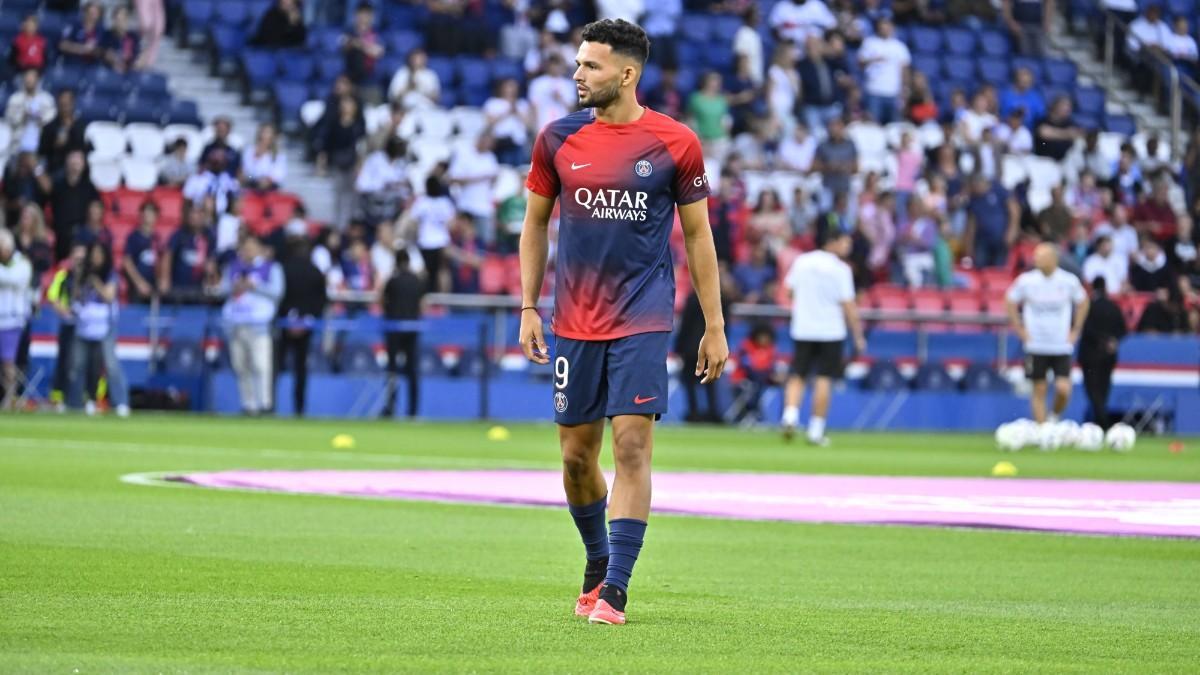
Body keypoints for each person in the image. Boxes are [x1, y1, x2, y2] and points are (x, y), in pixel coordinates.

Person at [517, 19, 727, 627]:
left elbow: (698, 236)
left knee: (632, 445)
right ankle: (597, 560)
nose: (578, 74)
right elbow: (534, 225)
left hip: (643, 317)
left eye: (590, 65)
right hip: (573, 322)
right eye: (579, 63)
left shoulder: (675, 142)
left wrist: (713, 325)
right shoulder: (557, 139)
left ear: (626, 74)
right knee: (577, 460)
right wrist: (529, 306)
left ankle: (615, 591)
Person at [780, 228, 866, 444]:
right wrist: (858, 335)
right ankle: (816, 430)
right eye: (845, 242)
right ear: (832, 242)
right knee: (824, 378)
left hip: (803, 328)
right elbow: (848, 305)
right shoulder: (841, 269)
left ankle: (790, 416)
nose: (848, 247)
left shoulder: (802, 261)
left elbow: (789, 291)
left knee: (797, 374)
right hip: (831, 330)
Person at [1005, 243, 1090, 424]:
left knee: (1063, 388)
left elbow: (1083, 302)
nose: (1036, 259)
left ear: (1053, 259)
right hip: (1036, 344)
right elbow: (1010, 300)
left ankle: (1054, 415)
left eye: (1041, 256)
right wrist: (1019, 329)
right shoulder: (1026, 280)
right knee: (1039, 388)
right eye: (1036, 256)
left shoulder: (1068, 281)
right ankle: (1042, 431)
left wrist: (1076, 329)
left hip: (1060, 344)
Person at [219, 236, 284, 416]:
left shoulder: (271, 267)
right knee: (241, 366)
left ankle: (265, 404)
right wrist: (236, 286)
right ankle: (249, 405)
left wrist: (255, 287)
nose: (248, 251)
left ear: (259, 248)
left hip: (259, 325)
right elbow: (222, 291)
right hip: (236, 324)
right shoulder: (233, 267)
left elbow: (278, 292)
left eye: (251, 247)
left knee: (261, 365)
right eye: (245, 247)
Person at [67, 242, 129, 417]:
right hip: (84, 325)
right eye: (93, 254)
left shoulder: (110, 275)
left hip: (104, 325)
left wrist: (95, 281)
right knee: (78, 365)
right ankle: (76, 402)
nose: (96, 258)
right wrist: (79, 276)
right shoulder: (83, 274)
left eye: (99, 254)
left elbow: (109, 296)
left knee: (111, 365)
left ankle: (121, 402)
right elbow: (76, 297)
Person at [276, 237, 326, 417]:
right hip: (306, 326)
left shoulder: (283, 269)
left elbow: (279, 297)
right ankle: (299, 408)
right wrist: (307, 320)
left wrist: (288, 319)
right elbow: (321, 301)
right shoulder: (316, 271)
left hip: (284, 325)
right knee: (301, 369)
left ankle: (269, 404)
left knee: (276, 366)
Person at [380, 249, 423, 418]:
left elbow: (383, 301)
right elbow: (422, 304)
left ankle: (390, 406)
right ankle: (413, 410)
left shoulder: (392, 281)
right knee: (412, 370)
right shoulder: (416, 281)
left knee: (392, 369)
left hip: (394, 329)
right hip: (412, 329)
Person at [1079, 277, 1126, 429]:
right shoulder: (1114, 307)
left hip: (1091, 355)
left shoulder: (1088, 306)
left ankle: (1102, 422)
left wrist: (1102, 340)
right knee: (1104, 389)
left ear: (1092, 288)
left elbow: (1086, 329)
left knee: (1092, 390)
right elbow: (1123, 329)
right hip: (1108, 355)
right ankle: (1100, 421)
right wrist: (1112, 341)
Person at [0, 229, 33, 410]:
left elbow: (13, 279)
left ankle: (9, 397)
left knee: (8, 362)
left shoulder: (22, 263)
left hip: (12, 320)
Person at [858, 18, 909, 125]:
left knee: (894, 127)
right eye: (882, 26)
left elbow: (904, 70)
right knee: (873, 126)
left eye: (887, 26)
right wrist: (873, 60)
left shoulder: (899, 46)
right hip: (874, 91)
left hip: (893, 92)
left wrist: (904, 90)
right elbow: (860, 62)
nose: (885, 29)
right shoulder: (869, 42)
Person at [122, 201, 161, 303]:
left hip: (153, 288)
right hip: (137, 289)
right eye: (145, 213)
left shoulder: (157, 238)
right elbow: (127, 262)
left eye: (151, 213)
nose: (148, 216)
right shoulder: (133, 237)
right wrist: (139, 283)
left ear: (156, 216)